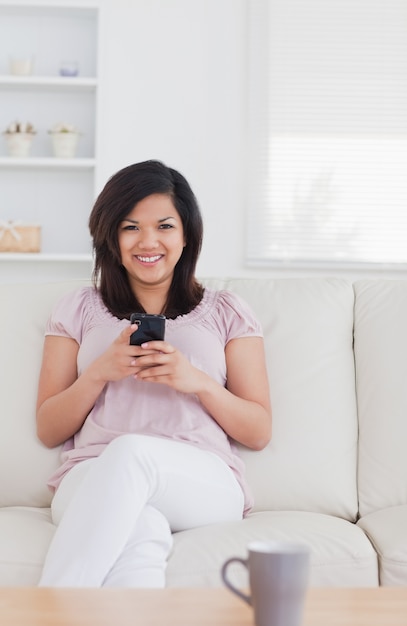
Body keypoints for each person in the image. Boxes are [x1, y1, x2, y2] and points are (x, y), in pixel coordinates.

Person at [36, 160, 272, 588]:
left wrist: (196, 381)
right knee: (141, 531)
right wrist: (98, 374)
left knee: (131, 452)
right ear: (111, 236)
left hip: (201, 478)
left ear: (186, 236)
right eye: (130, 227)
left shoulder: (227, 311)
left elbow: (258, 431)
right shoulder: (76, 309)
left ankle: (46, 612)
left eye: (164, 226)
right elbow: (49, 429)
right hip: (90, 475)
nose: (148, 241)